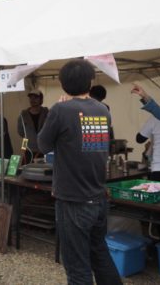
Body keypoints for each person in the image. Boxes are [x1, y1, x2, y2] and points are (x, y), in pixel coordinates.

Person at [38, 59, 122, 285]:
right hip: (98, 197)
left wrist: (57, 110)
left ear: (63, 84)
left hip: (73, 200)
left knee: (77, 267)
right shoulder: (103, 109)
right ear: (90, 81)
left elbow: (42, 145)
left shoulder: (60, 109)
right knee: (100, 255)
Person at [18, 89, 49, 163]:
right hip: (29, 150)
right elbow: (22, 133)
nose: (33, 100)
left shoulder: (47, 114)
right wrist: (24, 148)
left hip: (43, 150)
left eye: (35, 97)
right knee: (26, 170)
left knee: (42, 172)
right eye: (31, 97)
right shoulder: (23, 115)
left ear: (41, 99)